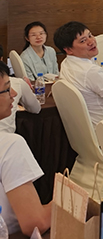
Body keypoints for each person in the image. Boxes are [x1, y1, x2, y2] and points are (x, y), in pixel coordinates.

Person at [0, 61, 52, 236]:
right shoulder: (9, 144)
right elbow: (35, 224)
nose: (14, 94)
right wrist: (63, 202)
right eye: (7, 89)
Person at [55, 21, 103, 130]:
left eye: (90, 35)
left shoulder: (66, 64)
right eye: (83, 41)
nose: (91, 42)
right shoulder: (91, 71)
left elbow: (88, 98)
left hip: (94, 125)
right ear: (68, 49)